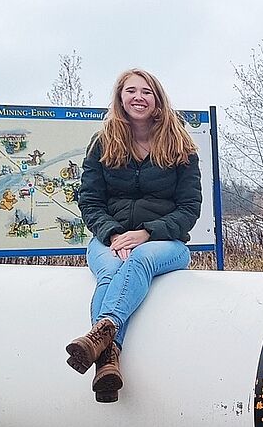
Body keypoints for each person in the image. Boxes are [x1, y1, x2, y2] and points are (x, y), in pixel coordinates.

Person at [65, 68, 202, 403]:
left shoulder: (180, 145)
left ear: (157, 100)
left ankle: (104, 332)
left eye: (146, 92)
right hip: (108, 240)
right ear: (120, 97)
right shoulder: (102, 143)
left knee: (138, 260)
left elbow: (189, 208)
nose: (138, 97)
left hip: (165, 244)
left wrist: (146, 233)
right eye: (131, 91)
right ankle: (108, 366)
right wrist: (112, 235)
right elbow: (90, 201)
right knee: (110, 272)